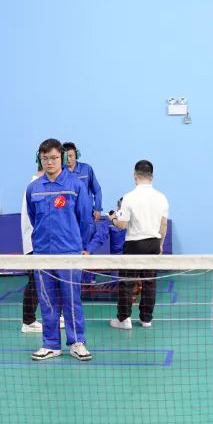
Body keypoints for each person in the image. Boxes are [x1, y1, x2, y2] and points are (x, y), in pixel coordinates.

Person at [25, 139, 93, 361]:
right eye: (45, 158)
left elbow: (85, 220)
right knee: (47, 301)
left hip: (69, 254)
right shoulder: (33, 188)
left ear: (62, 158)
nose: (49, 162)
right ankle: (51, 344)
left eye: (54, 158)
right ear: (40, 159)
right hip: (43, 254)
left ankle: (77, 342)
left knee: (72, 300)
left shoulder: (75, 185)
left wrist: (79, 246)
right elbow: (34, 219)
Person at [109, 160, 169, 329]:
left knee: (127, 282)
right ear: (152, 177)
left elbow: (122, 225)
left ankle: (124, 319)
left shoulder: (129, 197)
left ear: (135, 176)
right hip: (153, 243)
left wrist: (112, 218)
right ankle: (146, 319)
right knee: (149, 282)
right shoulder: (161, 198)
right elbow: (163, 225)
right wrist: (160, 244)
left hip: (134, 245)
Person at [19, 158, 44, 333]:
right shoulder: (35, 187)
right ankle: (28, 321)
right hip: (35, 243)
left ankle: (53, 316)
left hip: (42, 244)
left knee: (44, 282)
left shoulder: (40, 185)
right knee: (35, 283)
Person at [63, 141, 104, 225]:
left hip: (86, 213)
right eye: (66, 156)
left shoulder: (86, 169)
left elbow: (97, 190)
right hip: (67, 214)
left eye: (70, 156)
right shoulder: (60, 172)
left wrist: (98, 208)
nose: (68, 159)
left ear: (76, 155)